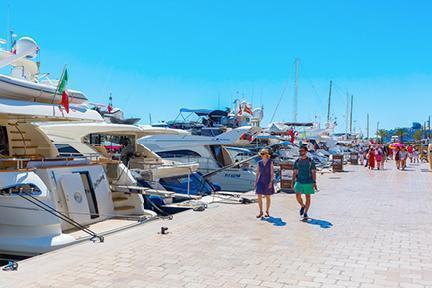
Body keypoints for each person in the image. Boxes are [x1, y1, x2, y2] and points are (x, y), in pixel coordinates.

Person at [292, 145, 317, 219]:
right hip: (299, 180)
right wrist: (292, 182)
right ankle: (303, 206)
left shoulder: (310, 161)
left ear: (306, 152)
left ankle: (305, 213)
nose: (301, 152)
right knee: (297, 196)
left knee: (308, 197)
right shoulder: (297, 161)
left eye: (302, 151)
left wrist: (314, 182)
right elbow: (294, 172)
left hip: (308, 181)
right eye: (300, 151)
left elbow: (313, 172)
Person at [255, 148, 275, 218]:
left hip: (268, 180)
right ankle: (260, 212)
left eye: (263, 153)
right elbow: (257, 173)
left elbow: (272, 173)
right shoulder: (259, 163)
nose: (262, 155)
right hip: (260, 180)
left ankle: (267, 211)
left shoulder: (270, 162)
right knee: (259, 196)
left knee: (268, 197)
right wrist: (256, 182)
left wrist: (270, 182)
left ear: (267, 154)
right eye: (261, 154)